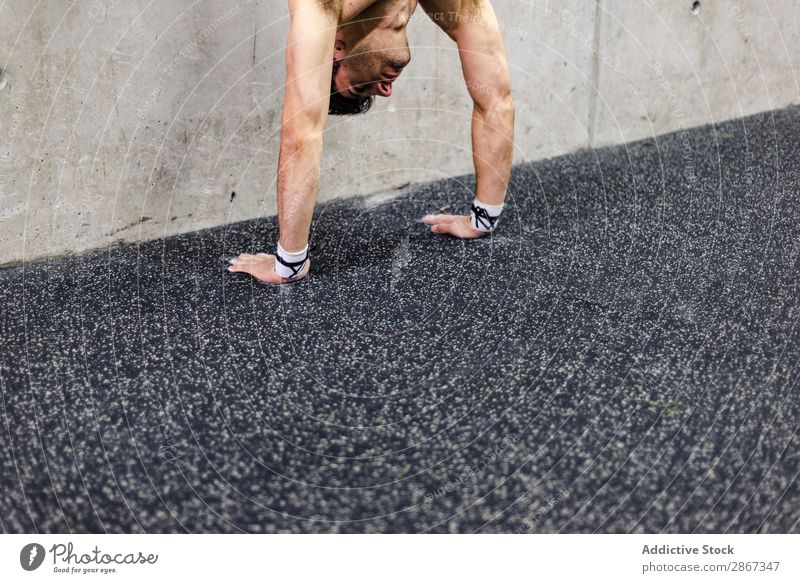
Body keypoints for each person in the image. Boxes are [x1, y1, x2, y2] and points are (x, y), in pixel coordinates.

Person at [227, 0, 514, 284]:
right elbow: (495, 99)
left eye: (360, 86)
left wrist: (288, 264)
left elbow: (301, 136)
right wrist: (483, 220)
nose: (386, 90)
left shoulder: (318, 7)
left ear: (335, 47)